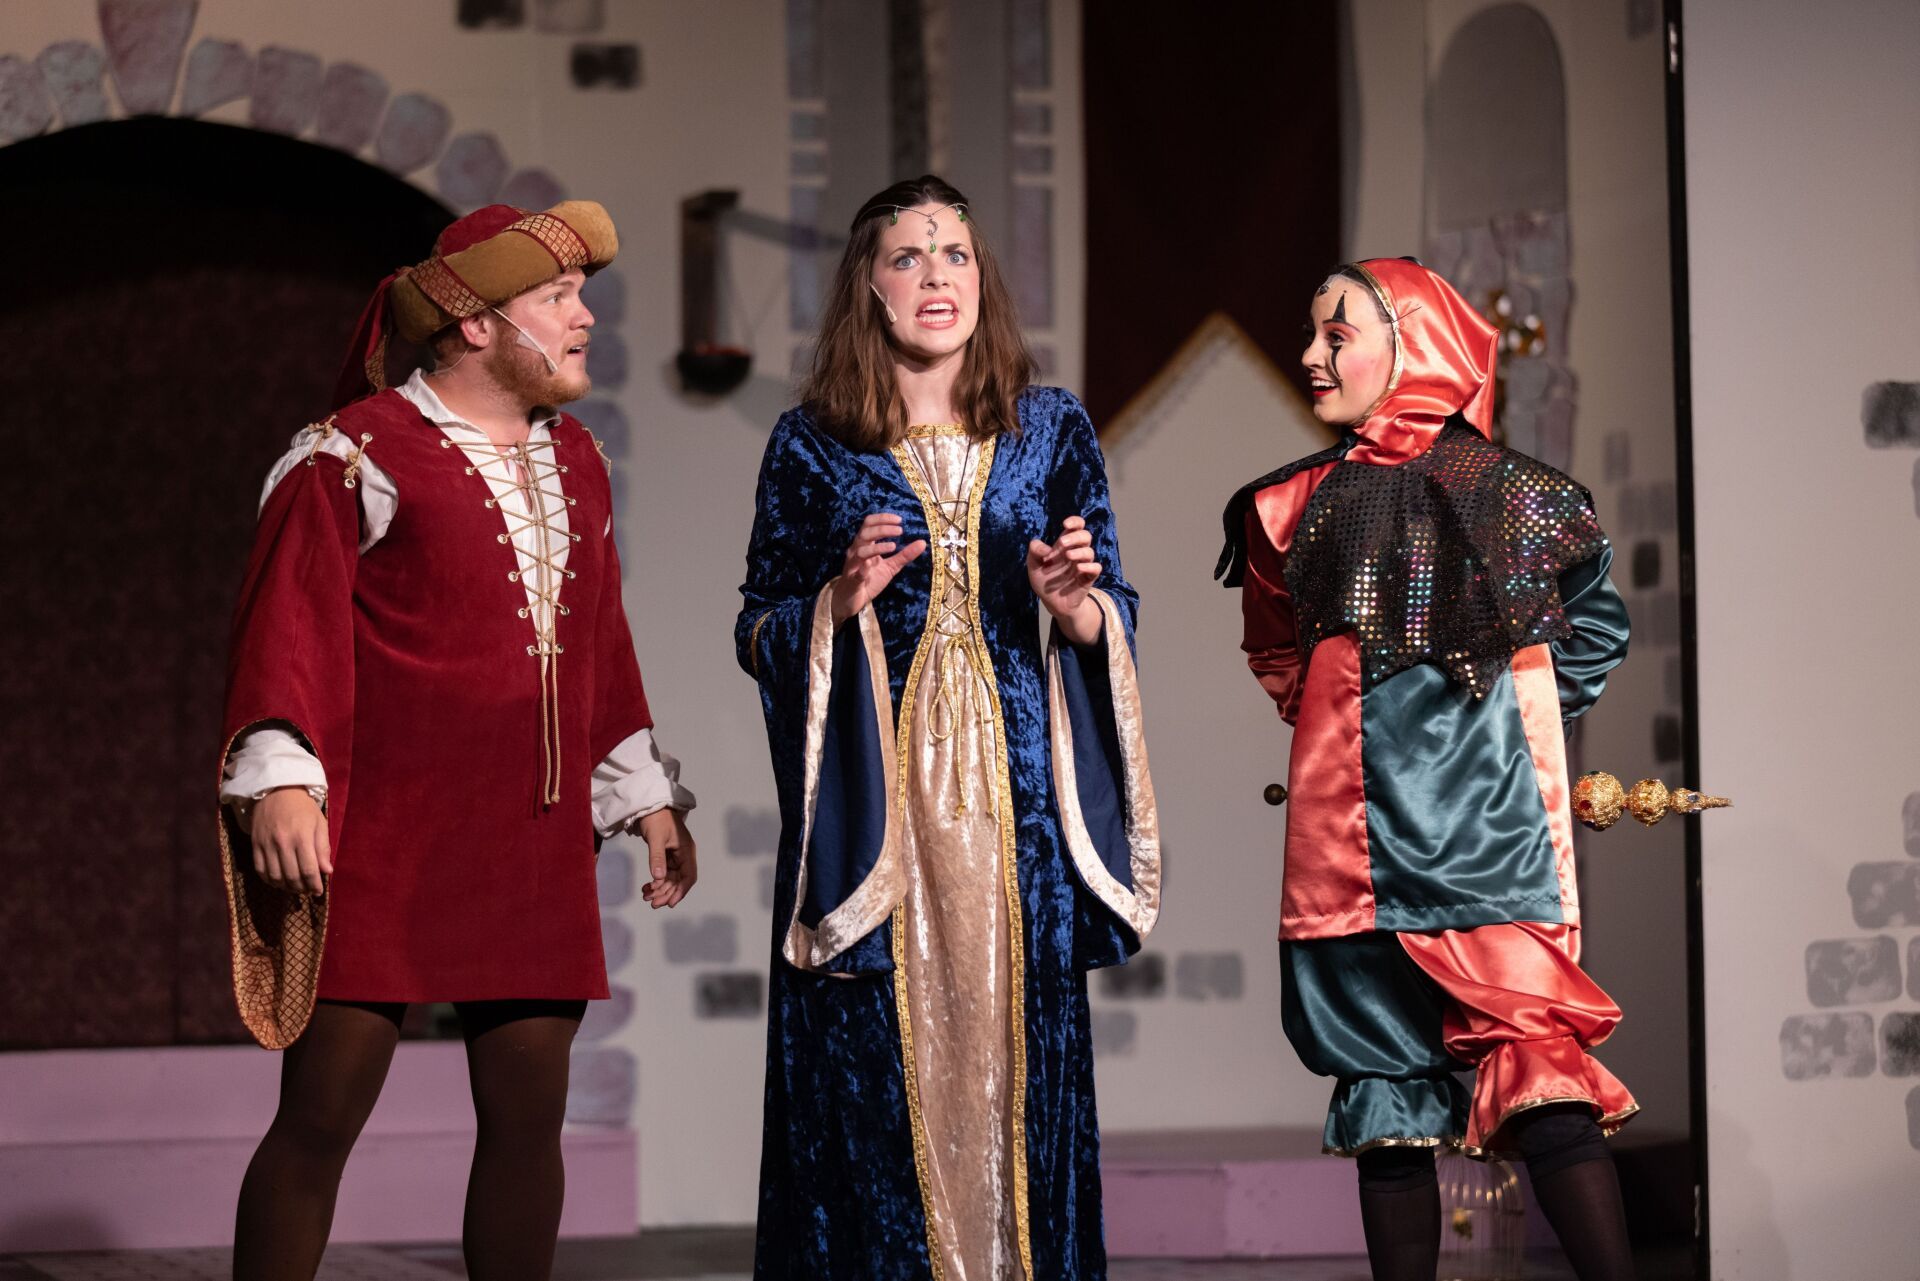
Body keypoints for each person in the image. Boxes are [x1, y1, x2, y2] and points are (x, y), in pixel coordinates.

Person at [217, 200, 697, 1281]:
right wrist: (282, 776)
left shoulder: (578, 460)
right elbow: (286, 625)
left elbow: (598, 644)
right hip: (385, 844)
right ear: (477, 322)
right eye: (558, 296)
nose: (585, 317)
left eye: (581, 294)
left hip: (529, 843)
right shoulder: (353, 454)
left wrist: (642, 792)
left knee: (529, 1121)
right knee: (320, 1117)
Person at [736, 175, 1161, 1280]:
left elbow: (1114, 605)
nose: (937, 277)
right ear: (869, 286)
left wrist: (1078, 607)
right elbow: (759, 624)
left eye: (957, 255)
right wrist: (834, 605)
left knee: (1022, 1074)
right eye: (909, 257)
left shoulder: (1049, 427)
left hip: (1017, 819)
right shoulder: (813, 444)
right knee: (870, 1088)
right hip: (881, 819)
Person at [1217, 259, 1639, 1281]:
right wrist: (1339, 730)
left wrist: (1502, 733)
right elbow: (1275, 648)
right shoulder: (1285, 506)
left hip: (1479, 843)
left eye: (1338, 334)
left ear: (1417, 344)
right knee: (1387, 1102)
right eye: (1312, 334)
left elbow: (1593, 633)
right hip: (1346, 853)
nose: (1311, 356)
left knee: (1542, 1076)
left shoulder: (1518, 495)